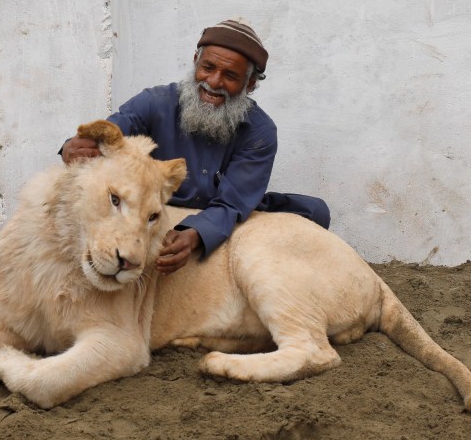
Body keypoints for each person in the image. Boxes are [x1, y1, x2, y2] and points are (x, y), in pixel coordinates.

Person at [61, 18, 329, 275]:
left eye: (230, 75)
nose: (213, 82)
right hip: (155, 211)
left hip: (221, 216)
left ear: (249, 84)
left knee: (314, 212)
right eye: (208, 67)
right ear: (195, 61)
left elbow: (233, 204)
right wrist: (72, 148)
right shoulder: (155, 102)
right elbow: (108, 140)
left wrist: (196, 234)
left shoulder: (260, 131)